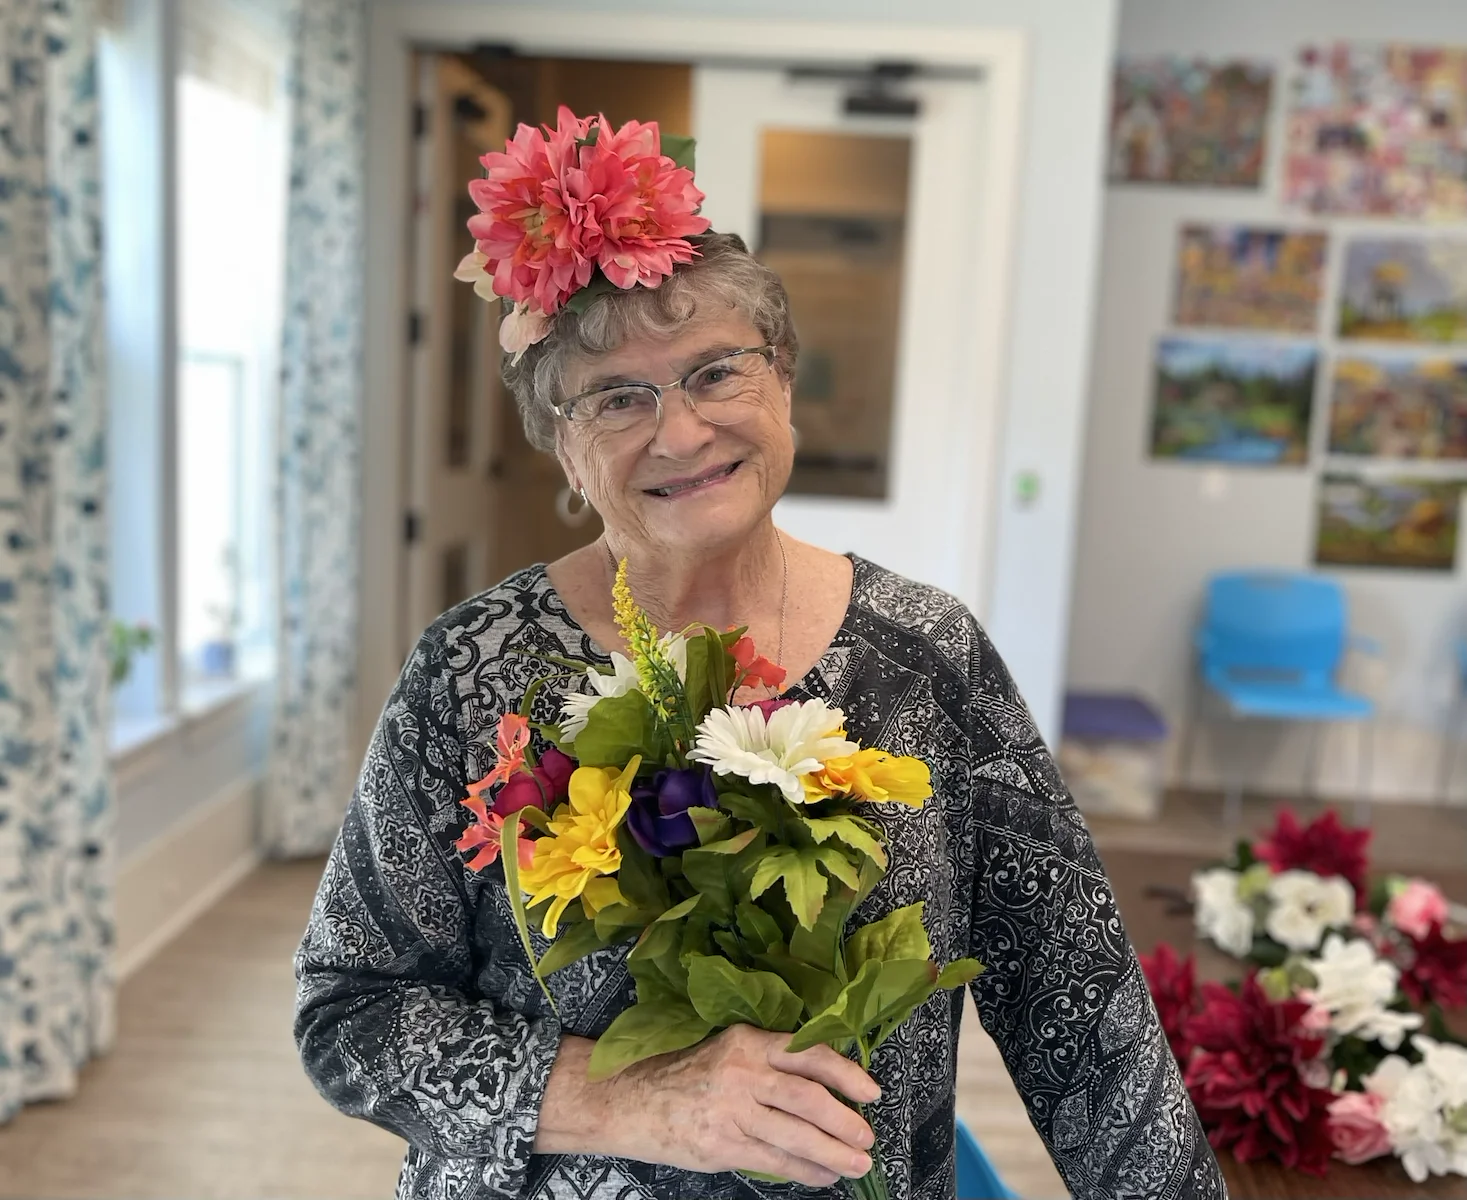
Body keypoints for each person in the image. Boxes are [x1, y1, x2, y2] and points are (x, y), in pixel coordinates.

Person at [294, 108, 1227, 1200]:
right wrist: (639, 1097)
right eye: (616, 398)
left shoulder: (925, 658)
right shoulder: (471, 673)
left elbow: (1083, 1014)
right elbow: (350, 1008)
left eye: (714, 373)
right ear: (559, 440)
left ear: (780, 376)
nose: (681, 434)